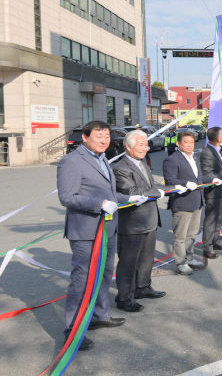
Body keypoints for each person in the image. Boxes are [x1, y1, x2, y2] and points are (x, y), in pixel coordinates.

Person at [57, 121, 141, 351]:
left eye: (106, 136)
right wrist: (99, 204)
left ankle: (99, 315)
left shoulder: (101, 157)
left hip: (107, 227)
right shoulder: (72, 161)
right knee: (82, 280)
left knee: (104, 273)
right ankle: (73, 331)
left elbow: (108, 193)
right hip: (86, 231)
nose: (104, 140)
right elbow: (67, 197)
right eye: (98, 136)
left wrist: (127, 198)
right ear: (84, 137)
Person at [112, 130, 166, 312]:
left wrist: (175, 187)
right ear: (128, 147)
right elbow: (132, 191)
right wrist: (155, 192)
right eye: (141, 145)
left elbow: (153, 186)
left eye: (146, 144)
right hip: (132, 222)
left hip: (149, 219)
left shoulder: (143, 164)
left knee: (146, 259)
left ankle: (142, 287)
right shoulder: (121, 167)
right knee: (128, 262)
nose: (145, 148)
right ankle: (124, 297)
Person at [162, 129, 206, 275]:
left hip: (196, 201)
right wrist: (185, 183)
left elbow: (199, 178)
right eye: (186, 142)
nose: (189, 145)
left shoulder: (193, 158)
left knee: (192, 234)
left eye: (192, 142)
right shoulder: (172, 159)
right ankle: (180, 263)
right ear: (179, 144)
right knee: (180, 236)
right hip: (182, 202)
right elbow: (170, 180)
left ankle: (189, 257)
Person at [200, 126, 222, 259]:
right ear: (217, 137)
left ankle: (215, 240)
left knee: (219, 217)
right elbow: (207, 173)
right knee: (211, 219)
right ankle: (207, 247)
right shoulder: (207, 152)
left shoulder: (220, 149)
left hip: (221, 189)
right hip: (213, 191)